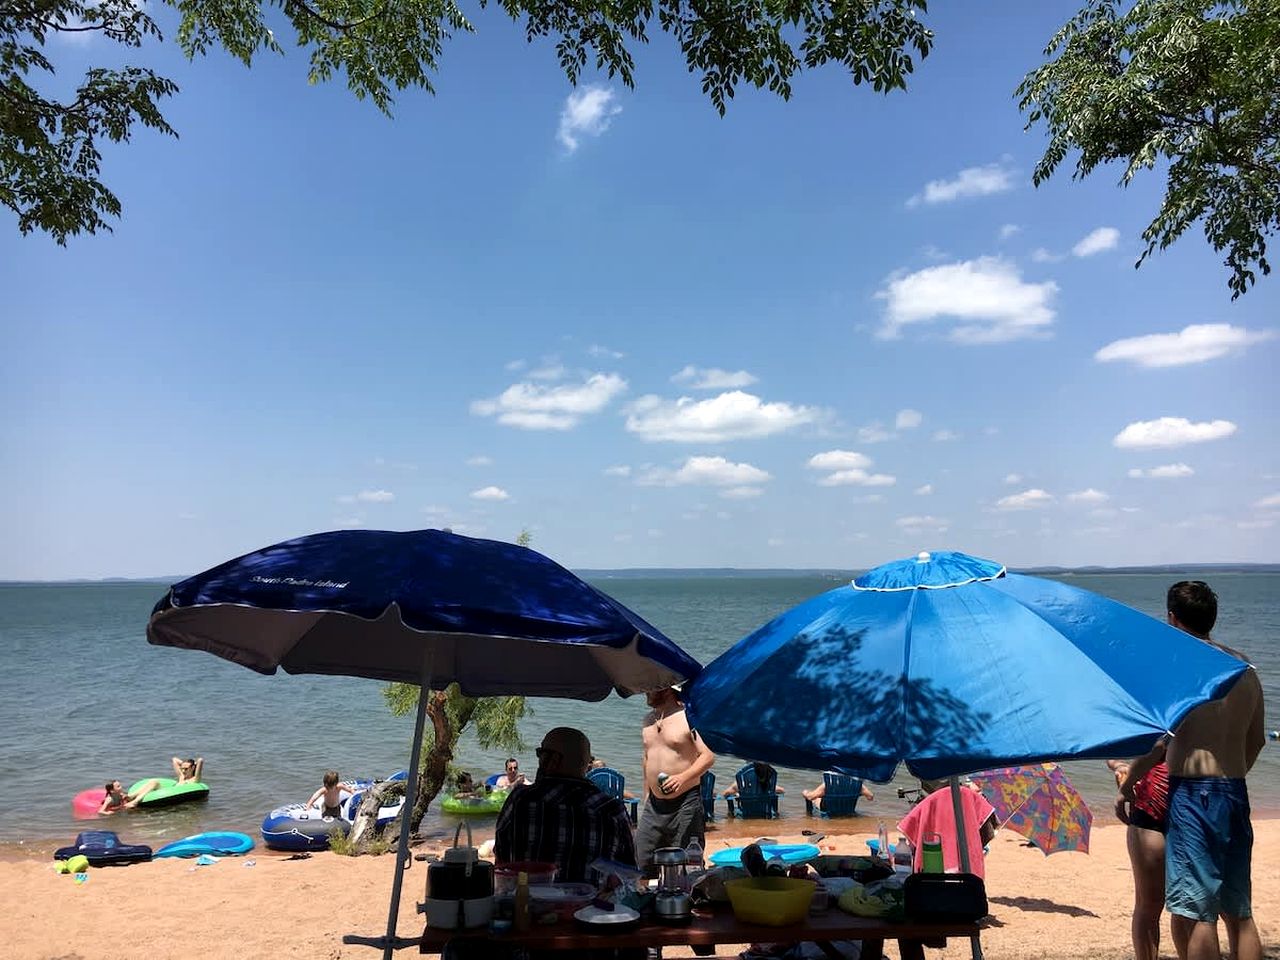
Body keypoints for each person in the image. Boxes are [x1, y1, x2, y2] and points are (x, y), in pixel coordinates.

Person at [1120, 581, 1266, 960]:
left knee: (1199, 913)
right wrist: (1231, 773)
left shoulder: (1180, 669)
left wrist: (1128, 784)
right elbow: (1257, 740)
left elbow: (1157, 744)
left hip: (1193, 793)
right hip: (1234, 789)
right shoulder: (1244, 667)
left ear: (1172, 619)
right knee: (1239, 912)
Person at [494, 727, 636, 883]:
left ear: (554, 760)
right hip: (592, 905)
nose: (539, 760)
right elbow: (628, 871)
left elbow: (501, 858)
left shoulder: (520, 800)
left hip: (526, 902)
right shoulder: (611, 810)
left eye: (541, 753)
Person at [635, 686, 715, 877]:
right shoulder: (648, 720)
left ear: (668, 690)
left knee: (684, 866)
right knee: (642, 862)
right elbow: (647, 759)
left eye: (651, 688)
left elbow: (708, 756)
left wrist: (682, 777)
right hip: (654, 804)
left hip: (685, 803)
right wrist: (646, 793)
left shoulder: (689, 718)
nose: (646, 691)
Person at [1108, 755, 1169, 960]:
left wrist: (1127, 783)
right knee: (1191, 908)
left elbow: (1159, 745)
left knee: (1148, 905)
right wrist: (1121, 766)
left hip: (1150, 802)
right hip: (1193, 797)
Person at [802, 774, 872, 809]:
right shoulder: (857, 785)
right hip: (847, 810)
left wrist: (805, 792)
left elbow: (810, 797)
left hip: (829, 811)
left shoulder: (829, 785)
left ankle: (809, 819)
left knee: (815, 798)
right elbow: (870, 797)